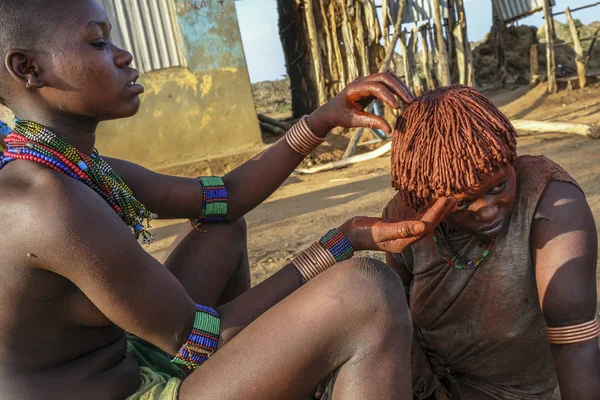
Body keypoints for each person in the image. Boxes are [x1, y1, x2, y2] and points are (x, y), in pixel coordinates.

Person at [0, 1, 458, 399]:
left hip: (133, 358)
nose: (124, 56)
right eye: (98, 43)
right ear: (27, 68)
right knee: (366, 292)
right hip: (134, 385)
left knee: (221, 228)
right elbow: (203, 340)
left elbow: (225, 199)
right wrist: (342, 242)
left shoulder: (71, 166)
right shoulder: (49, 204)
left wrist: (320, 122)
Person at [382, 85, 600, 400]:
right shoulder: (404, 218)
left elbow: (575, 342)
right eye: (461, 202)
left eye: (498, 185)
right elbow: (396, 326)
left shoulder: (549, 202)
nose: (487, 209)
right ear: (424, 197)